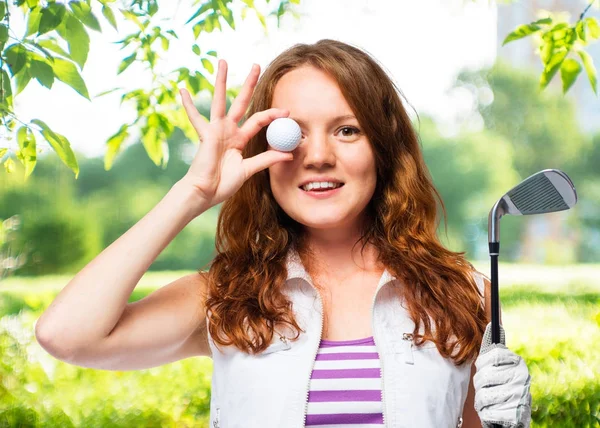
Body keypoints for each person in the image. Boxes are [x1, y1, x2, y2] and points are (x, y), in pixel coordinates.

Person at [34, 39, 531, 428]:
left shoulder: (462, 294)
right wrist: (193, 192)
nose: (317, 156)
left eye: (347, 130)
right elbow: (66, 336)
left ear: (383, 147)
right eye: (292, 133)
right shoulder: (227, 296)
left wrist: (510, 423)